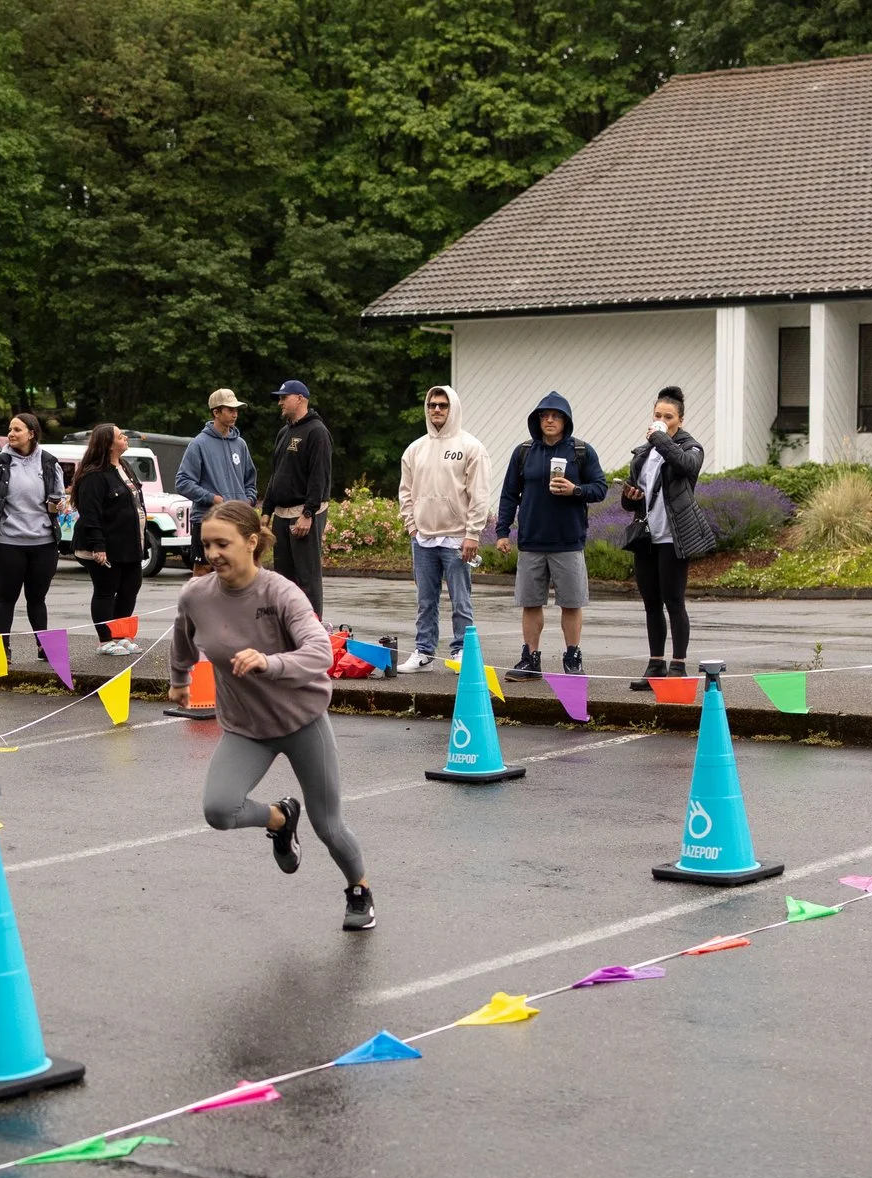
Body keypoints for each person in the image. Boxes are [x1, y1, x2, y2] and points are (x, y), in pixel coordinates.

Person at [168, 500, 374, 931]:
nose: (213, 554)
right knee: (219, 810)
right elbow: (183, 638)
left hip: (302, 720)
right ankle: (280, 818)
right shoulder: (196, 595)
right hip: (246, 728)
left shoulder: (280, 592)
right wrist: (180, 679)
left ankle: (359, 889)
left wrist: (269, 662)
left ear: (252, 542)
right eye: (207, 544)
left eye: (223, 544)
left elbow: (319, 653)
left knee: (329, 826)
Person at [493, 390, 606, 678]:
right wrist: (503, 532)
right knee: (530, 603)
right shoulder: (524, 452)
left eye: (556, 416)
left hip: (568, 541)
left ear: (566, 420)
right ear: (538, 420)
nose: (550, 420)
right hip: (531, 540)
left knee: (571, 602)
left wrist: (575, 490)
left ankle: (572, 657)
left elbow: (600, 488)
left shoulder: (581, 451)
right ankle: (530, 659)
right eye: (545, 416)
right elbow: (509, 495)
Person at [620, 386, 720, 690]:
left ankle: (678, 665)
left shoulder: (691, 448)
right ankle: (656, 665)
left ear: (681, 420)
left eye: (668, 416)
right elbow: (632, 501)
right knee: (651, 603)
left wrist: (660, 437)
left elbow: (684, 467)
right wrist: (630, 495)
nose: (662, 420)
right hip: (647, 536)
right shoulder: (643, 454)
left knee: (673, 601)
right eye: (657, 415)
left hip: (674, 537)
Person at [394, 385, 491, 673]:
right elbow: (405, 492)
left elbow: (480, 494)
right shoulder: (415, 449)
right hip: (423, 538)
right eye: (432, 405)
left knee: (461, 600)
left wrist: (472, 533)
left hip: (457, 538)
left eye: (443, 405)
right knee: (425, 600)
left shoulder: (471, 447)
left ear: (453, 409)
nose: (436, 410)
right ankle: (424, 651)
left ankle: (461, 650)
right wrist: (412, 526)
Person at [0, 412, 67, 661]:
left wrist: (59, 504)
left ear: (32, 433)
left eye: (17, 430)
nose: (11, 434)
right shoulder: (0, 464)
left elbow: (58, 498)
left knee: (37, 598)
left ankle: (43, 646)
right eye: (10, 430)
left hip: (43, 543)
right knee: (7, 597)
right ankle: (3, 649)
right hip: (7, 543)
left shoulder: (48, 462)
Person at [70, 423, 146, 654]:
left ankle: (120, 634)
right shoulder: (94, 476)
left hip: (130, 544)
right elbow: (90, 513)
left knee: (130, 588)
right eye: (120, 436)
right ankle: (105, 641)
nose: (125, 438)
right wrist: (98, 546)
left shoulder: (124, 466)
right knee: (106, 589)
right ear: (108, 444)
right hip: (105, 546)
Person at [263, 379, 332, 614]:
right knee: (284, 579)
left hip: (304, 514)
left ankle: (312, 633)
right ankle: (286, 631)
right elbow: (276, 474)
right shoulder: (284, 432)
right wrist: (266, 511)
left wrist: (308, 513)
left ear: (300, 398)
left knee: (307, 578)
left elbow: (318, 476)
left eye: (284, 397)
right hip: (282, 515)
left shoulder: (317, 431)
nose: (280, 402)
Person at [175, 388, 255, 534]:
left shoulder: (240, 444)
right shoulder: (199, 444)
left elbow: (250, 481)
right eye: (230, 409)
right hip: (208, 522)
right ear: (216, 412)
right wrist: (214, 499)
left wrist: (248, 500)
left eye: (236, 410)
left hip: (238, 522)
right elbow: (183, 482)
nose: (235, 414)